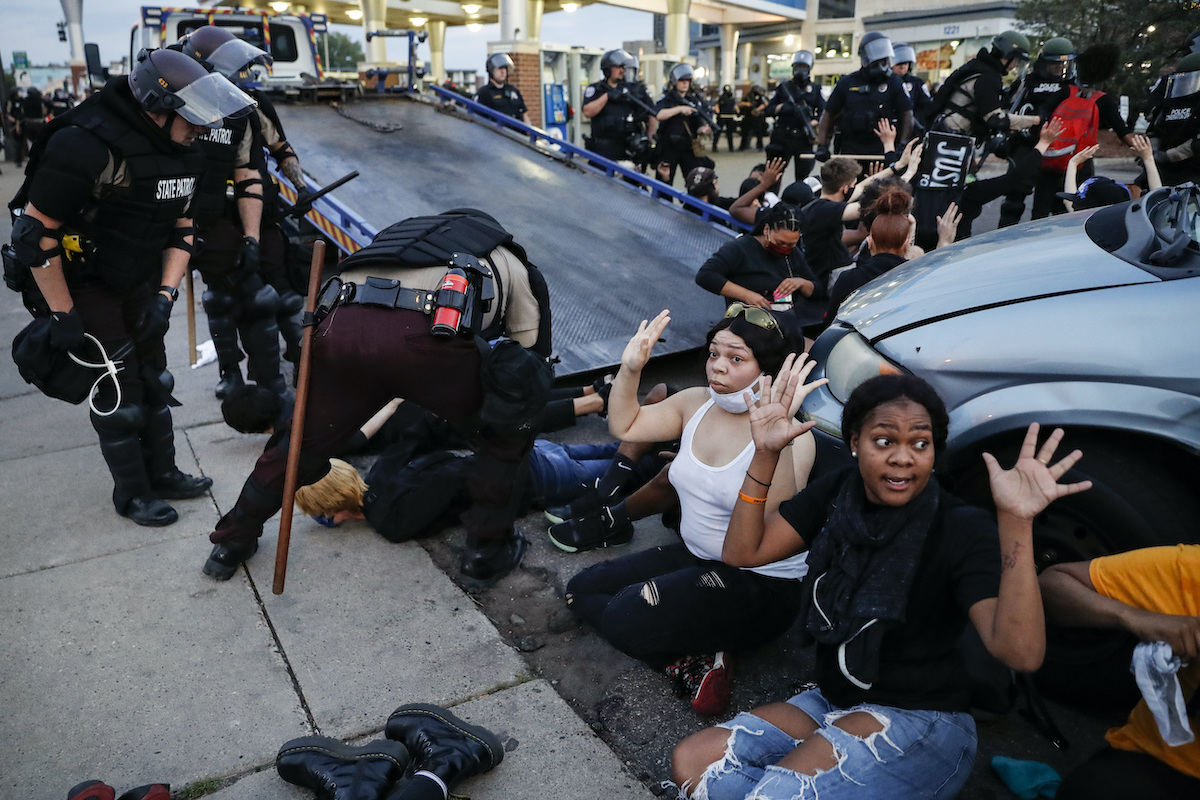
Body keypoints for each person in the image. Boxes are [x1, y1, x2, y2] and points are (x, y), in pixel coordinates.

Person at [670, 372, 1092, 800]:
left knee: (773, 795)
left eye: (920, 443)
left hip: (924, 721)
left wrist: (1016, 522)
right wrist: (765, 453)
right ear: (854, 442)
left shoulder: (961, 528)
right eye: (885, 440)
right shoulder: (842, 492)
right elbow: (744, 552)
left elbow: (1020, 652)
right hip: (835, 701)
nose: (903, 457)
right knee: (694, 763)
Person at [201, 208, 551, 584]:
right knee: (506, 434)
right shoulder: (511, 262)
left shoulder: (399, 236)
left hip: (341, 330)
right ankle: (485, 553)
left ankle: (229, 544)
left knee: (297, 447)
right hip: (428, 341)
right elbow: (528, 364)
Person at [6, 48, 254, 526]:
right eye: (192, 114)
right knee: (118, 390)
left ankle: (164, 474)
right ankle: (133, 494)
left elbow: (184, 228)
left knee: (155, 381)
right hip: (77, 281)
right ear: (156, 107)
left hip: (136, 274)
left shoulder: (187, 148)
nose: (203, 125)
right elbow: (34, 235)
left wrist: (165, 296)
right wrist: (63, 314)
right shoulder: (87, 143)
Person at [564, 308, 821, 716]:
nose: (718, 367)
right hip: (699, 556)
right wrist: (631, 368)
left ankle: (705, 642)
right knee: (582, 589)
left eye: (737, 359)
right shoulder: (698, 402)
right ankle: (693, 660)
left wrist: (773, 445)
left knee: (621, 618)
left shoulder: (794, 439)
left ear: (769, 369)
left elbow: (767, 539)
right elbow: (626, 427)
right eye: (714, 353)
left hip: (759, 586)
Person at [173, 25, 290, 401]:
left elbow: (249, 171)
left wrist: (252, 238)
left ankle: (275, 379)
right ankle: (235, 374)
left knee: (265, 294)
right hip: (198, 219)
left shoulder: (243, 111)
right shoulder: (173, 107)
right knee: (224, 297)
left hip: (242, 213)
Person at [1039, 546, 1200, 800]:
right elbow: (1052, 584)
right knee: (1094, 791)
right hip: (1169, 762)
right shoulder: (1192, 569)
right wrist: (1136, 618)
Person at [694, 203, 821, 324]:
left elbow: (817, 291)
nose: (785, 248)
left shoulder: (794, 254)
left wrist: (801, 283)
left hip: (785, 322)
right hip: (747, 323)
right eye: (780, 242)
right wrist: (747, 295)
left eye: (791, 244)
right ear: (766, 230)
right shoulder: (740, 249)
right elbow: (705, 276)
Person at [924, 30, 1039, 151]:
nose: (1016, 65)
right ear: (1008, 55)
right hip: (952, 140)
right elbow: (994, 119)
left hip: (942, 134)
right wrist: (1035, 121)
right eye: (1016, 60)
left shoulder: (977, 66)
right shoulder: (988, 77)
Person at [823, 185, 913, 328]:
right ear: (907, 244)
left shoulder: (848, 279)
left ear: (869, 242)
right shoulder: (917, 280)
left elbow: (830, 324)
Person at [815, 33, 912, 164]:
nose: (881, 62)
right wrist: (822, 145)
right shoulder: (846, 82)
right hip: (850, 149)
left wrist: (902, 146)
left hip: (881, 149)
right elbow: (828, 114)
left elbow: (907, 115)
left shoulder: (894, 83)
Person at [764, 51, 826, 182]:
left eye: (803, 67)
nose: (800, 70)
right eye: (797, 66)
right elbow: (768, 110)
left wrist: (813, 123)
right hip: (781, 138)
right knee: (774, 176)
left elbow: (824, 112)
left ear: (809, 69)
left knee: (802, 179)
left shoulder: (815, 89)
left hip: (803, 138)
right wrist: (781, 107)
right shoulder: (783, 87)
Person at [1147, 51, 1200, 187]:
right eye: (1182, 79)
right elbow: (1154, 130)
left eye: (1191, 79)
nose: (1185, 84)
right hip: (1165, 172)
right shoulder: (1169, 103)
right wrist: (1151, 152)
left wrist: (1168, 156)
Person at [654, 63, 712, 186]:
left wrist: (703, 129)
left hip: (688, 146)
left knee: (695, 181)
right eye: (682, 80)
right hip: (668, 146)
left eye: (687, 80)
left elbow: (698, 123)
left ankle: (691, 205)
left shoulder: (693, 100)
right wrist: (680, 109)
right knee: (664, 182)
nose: (685, 83)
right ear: (675, 81)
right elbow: (659, 114)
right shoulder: (667, 98)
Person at [583, 49, 642, 162]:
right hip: (603, 149)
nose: (622, 70)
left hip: (627, 148)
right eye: (618, 67)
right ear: (608, 69)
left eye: (623, 67)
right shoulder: (596, 89)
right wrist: (607, 96)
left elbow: (649, 114)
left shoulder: (632, 89)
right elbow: (587, 112)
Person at [476, 53, 531, 126]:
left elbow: (524, 114)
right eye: (500, 69)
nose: (503, 72)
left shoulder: (513, 90)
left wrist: (530, 133)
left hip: (518, 135)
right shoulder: (484, 93)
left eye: (505, 68)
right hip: (498, 135)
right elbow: (478, 118)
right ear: (491, 70)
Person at [891, 43, 930, 141]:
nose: (903, 67)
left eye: (906, 63)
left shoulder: (916, 82)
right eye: (899, 64)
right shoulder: (885, 82)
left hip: (912, 130)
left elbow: (926, 105)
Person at [738, 85, 768, 151]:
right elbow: (741, 103)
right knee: (745, 132)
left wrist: (757, 109)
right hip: (748, 115)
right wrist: (747, 104)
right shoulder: (748, 96)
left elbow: (765, 104)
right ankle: (743, 146)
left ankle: (760, 146)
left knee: (759, 132)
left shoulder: (761, 96)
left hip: (757, 116)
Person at [714, 85, 739, 152]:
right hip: (723, 117)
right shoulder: (721, 98)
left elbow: (735, 106)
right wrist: (718, 113)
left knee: (727, 133)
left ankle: (730, 147)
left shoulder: (730, 98)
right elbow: (717, 106)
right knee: (720, 132)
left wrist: (737, 112)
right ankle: (715, 146)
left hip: (728, 117)